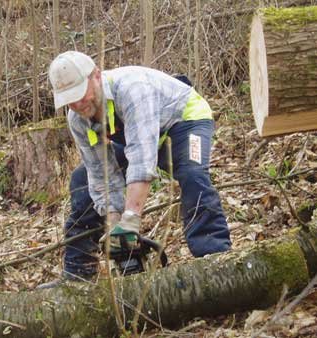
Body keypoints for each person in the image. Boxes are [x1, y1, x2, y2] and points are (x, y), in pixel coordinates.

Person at [38, 51, 231, 288]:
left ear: (96, 76)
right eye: (69, 99)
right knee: (81, 179)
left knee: (193, 173)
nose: (78, 104)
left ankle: (215, 256)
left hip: (185, 121)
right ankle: (78, 273)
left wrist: (130, 219)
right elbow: (101, 173)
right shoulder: (77, 119)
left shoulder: (132, 89)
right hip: (140, 137)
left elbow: (142, 158)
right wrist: (116, 229)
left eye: (80, 94)